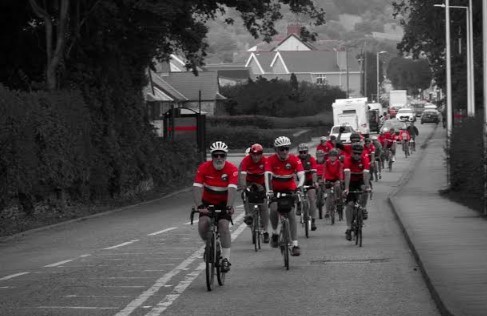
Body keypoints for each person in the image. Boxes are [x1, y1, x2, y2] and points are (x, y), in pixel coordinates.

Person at [193, 141, 238, 272]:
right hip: (207, 202)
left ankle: (225, 259)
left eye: (222, 155)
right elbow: (196, 187)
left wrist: (229, 206)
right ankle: (209, 245)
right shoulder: (203, 167)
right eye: (216, 155)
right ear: (211, 156)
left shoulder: (232, 169)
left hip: (224, 203)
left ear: (226, 156)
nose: (219, 158)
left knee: (223, 226)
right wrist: (199, 205)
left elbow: (232, 189)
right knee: (203, 224)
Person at [265, 136, 305, 256]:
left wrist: (299, 187)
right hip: (275, 189)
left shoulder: (294, 159)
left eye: (286, 149)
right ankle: (276, 232)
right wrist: (268, 191)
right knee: (273, 208)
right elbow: (267, 176)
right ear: (276, 149)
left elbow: (301, 175)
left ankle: (295, 244)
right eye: (281, 149)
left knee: (291, 214)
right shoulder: (270, 160)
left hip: (289, 189)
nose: (284, 152)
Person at [239, 143, 270, 243]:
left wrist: (268, 189)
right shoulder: (246, 160)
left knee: (264, 206)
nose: (256, 157)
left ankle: (265, 231)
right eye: (254, 154)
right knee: (246, 196)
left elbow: (269, 177)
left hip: (262, 182)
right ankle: (248, 215)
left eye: (258, 154)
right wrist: (244, 187)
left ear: (261, 154)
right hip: (249, 182)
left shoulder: (265, 161)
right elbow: (242, 176)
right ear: (251, 154)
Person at [343, 143, 371, 241]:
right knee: (350, 204)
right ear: (352, 153)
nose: (357, 155)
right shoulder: (347, 159)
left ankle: (363, 208)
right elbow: (347, 175)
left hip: (360, 180)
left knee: (365, 190)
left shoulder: (365, 159)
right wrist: (346, 189)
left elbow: (366, 175)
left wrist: (367, 187)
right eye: (355, 153)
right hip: (350, 181)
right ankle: (349, 228)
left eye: (359, 153)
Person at [297, 143, 319, 231]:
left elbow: (314, 172)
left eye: (304, 152)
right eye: (301, 152)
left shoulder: (312, 159)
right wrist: (296, 185)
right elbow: (294, 174)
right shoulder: (296, 159)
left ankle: (313, 220)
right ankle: (298, 204)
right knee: (295, 192)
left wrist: (315, 182)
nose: (303, 154)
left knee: (312, 199)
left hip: (309, 180)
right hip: (299, 180)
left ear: (307, 152)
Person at [322, 149, 343, 218]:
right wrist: (323, 179)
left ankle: (338, 200)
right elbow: (324, 171)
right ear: (329, 156)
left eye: (334, 156)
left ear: (336, 156)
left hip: (336, 179)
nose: (332, 157)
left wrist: (340, 179)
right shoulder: (326, 162)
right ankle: (327, 211)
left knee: (337, 187)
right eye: (331, 156)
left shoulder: (339, 163)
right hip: (328, 179)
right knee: (328, 196)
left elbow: (340, 171)